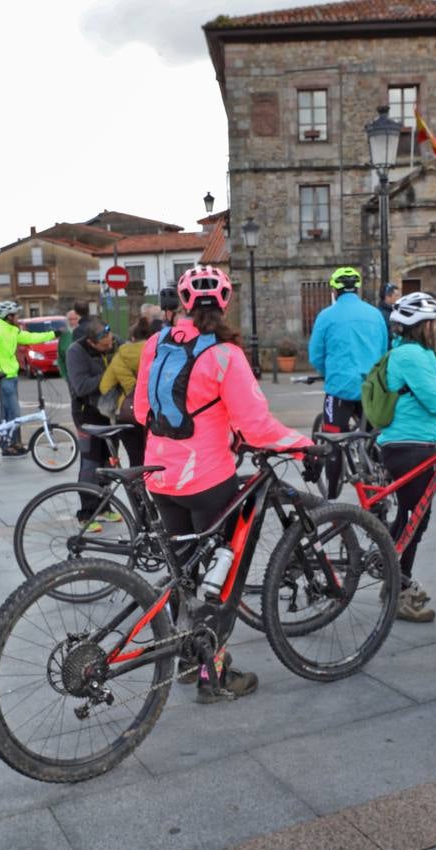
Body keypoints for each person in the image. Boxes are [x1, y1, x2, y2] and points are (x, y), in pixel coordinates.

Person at [134, 265, 310, 702]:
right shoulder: (225, 354)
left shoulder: (155, 344)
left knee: (184, 573)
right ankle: (213, 673)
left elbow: (141, 411)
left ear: (184, 302)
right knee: (219, 577)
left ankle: (186, 660)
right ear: (226, 302)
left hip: (159, 475)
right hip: (208, 478)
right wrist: (303, 445)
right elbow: (256, 427)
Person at [379, 292, 436, 623]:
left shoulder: (411, 352)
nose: (435, 328)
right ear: (421, 326)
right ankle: (397, 592)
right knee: (413, 521)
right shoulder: (412, 355)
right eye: (431, 323)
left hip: (410, 443)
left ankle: (396, 582)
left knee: (410, 519)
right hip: (410, 446)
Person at [308, 266, 388, 497]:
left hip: (340, 390)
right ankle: (380, 484)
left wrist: (327, 373)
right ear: (358, 288)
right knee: (374, 438)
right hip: (371, 389)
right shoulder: (375, 314)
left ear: (335, 290)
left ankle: (331, 497)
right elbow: (383, 351)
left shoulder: (326, 316)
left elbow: (316, 355)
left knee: (334, 442)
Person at [0, 301, 55, 455]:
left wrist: (53, 334)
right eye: (16, 315)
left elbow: (29, 337)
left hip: (12, 376)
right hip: (3, 377)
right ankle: (11, 445)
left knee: (7, 413)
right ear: (9, 316)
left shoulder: (13, 330)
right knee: (14, 413)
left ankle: (9, 444)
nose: (18, 317)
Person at [67, 315, 121, 530]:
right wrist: (111, 375)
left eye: (110, 341)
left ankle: (105, 506)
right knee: (90, 462)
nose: (109, 346)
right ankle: (87, 513)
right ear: (91, 342)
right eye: (103, 345)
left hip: (111, 412)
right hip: (86, 414)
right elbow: (80, 386)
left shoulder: (116, 343)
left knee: (109, 460)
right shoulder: (76, 352)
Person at [99, 316, 154, 467]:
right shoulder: (157, 352)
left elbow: (105, 386)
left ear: (132, 337)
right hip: (153, 413)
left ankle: (137, 489)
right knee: (155, 460)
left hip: (126, 414)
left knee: (136, 460)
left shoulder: (120, 356)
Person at [56, 303, 88, 379]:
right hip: (70, 375)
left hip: (85, 374)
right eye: (70, 319)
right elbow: (60, 357)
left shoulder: (86, 332)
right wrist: (64, 374)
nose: (73, 322)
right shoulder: (64, 336)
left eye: (75, 319)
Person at [378, 283, 401, 347]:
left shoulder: (396, 311)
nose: (399, 298)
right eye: (396, 295)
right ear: (387, 297)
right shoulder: (380, 314)